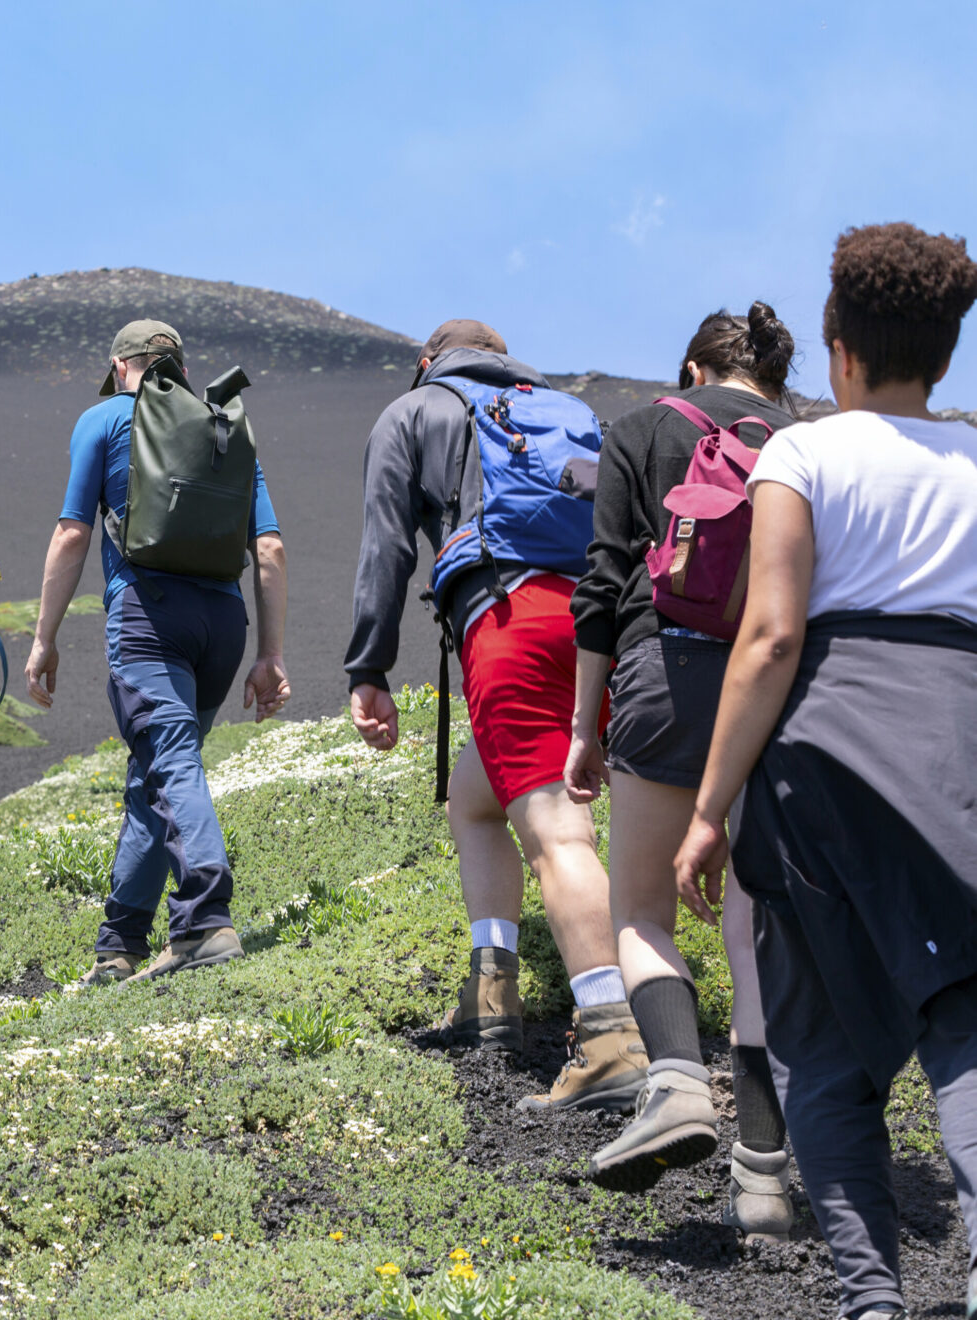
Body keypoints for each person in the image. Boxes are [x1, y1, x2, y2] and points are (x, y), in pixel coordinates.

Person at [675, 224, 977, 1320]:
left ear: (838, 345)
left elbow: (769, 638)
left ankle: (872, 1300)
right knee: (965, 1016)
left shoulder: (799, 454)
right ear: (945, 355)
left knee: (823, 1047)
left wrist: (709, 811)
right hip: (960, 747)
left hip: (825, 756)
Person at [346, 319, 646, 1112]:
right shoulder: (558, 407)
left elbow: (385, 543)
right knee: (477, 799)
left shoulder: (416, 411)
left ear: (427, 359)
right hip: (593, 625)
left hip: (508, 619)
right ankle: (492, 995)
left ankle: (613, 1036)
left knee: (557, 832)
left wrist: (368, 668)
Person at [563, 305, 797, 1230]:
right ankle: (766, 1181)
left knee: (645, 913)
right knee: (757, 939)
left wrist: (588, 723)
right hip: (777, 692)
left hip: (662, 672)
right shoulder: (804, 443)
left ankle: (677, 1082)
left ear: (694, 370)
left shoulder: (640, 428)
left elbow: (603, 579)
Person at [25, 320, 291, 984]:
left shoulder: (106, 419)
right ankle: (120, 946)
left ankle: (204, 919)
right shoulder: (222, 424)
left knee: (167, 760)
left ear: (121, 366)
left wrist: (43, 638)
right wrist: (271, 654)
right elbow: (270, 549)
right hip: (223, 624)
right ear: (178, 367)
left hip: (149, 612)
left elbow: (71, 534)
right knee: (159, 769)